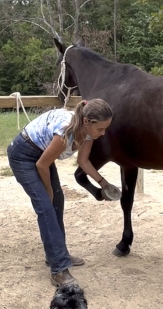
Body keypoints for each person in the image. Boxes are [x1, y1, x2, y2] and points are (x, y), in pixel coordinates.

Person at [7, 98, 113, 286]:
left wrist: (103, 184)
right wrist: (48, 191)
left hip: (41, 156)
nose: (103, 134)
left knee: (57, 203)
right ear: (87, 122)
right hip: (23, 155)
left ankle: (56, 254)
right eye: (101, 129)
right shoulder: (65, 132)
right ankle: (59, 270)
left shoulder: (88, 133)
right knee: (46, 207)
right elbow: (41, 165)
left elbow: (84, 162)